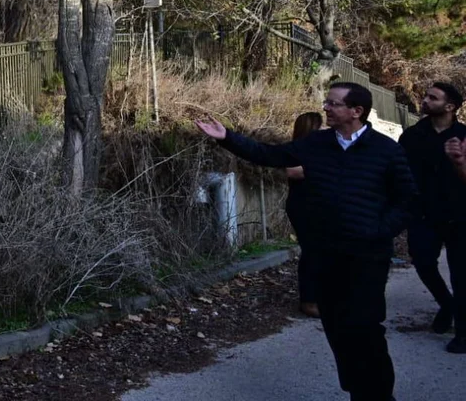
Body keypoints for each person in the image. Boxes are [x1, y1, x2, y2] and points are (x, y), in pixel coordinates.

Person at [196, 82, 416, 401]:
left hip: (367, 255)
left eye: (333, 103)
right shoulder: (316, 144)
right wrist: (227, 137)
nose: (325, 107)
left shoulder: (386, 149)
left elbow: (407, 199)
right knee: (336, 325)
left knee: (366, 326)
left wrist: (380, 230)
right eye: (327, 102)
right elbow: (269, 155)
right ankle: (358, 387)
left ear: (356, 111)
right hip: (325, 253)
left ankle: (378, 394)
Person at [400, 82, 466, 353]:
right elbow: (398, 172)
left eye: (432, 98)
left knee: (462, 275)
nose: (424, 100)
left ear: (449, 107)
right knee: (423, 263)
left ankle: (462, 333)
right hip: (423, 214)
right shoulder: (412, 135)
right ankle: (447, 304)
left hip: (460, 215)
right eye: (425, 95)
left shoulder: (463, 135)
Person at [286, 111, 324, 317]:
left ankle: (321, 295)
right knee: (311, 253)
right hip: (303, 207)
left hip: (321, 207)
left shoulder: (323, 148)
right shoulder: (298, 148)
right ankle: (308, 301)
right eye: (322, 125)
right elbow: (292, 171)